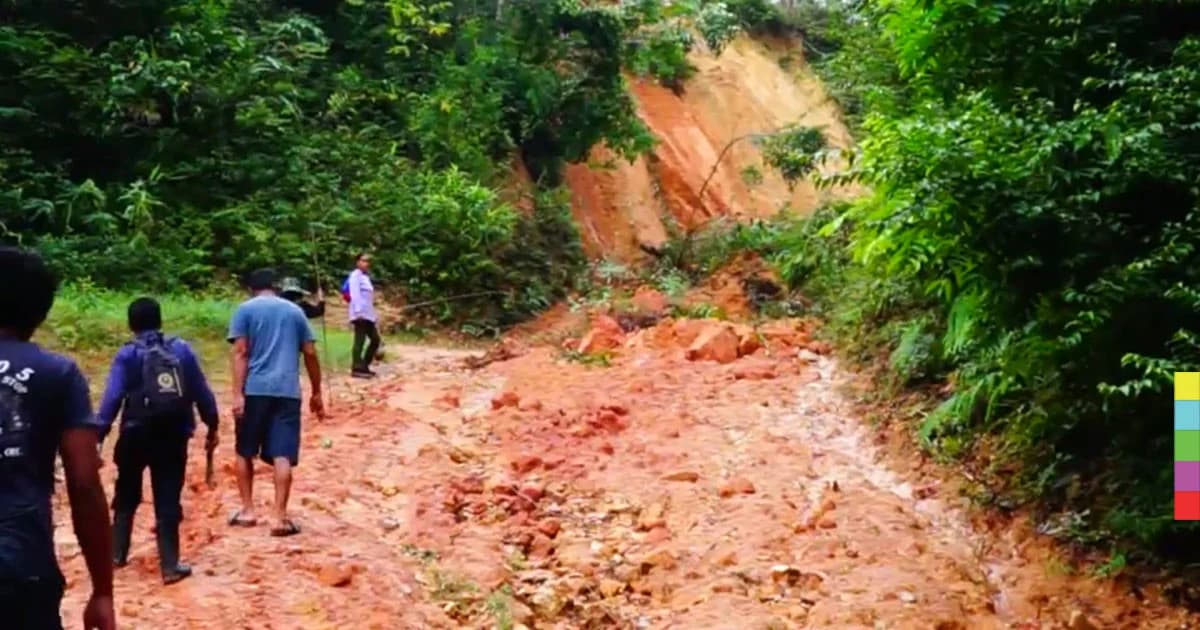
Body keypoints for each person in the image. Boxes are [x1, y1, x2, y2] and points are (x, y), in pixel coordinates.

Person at [0, 247, 115, 630]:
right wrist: (102, 591)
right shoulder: (57, 374)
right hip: (21, 567)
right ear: (42, 310)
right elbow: (84, 483)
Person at [96, 297, 219, 584]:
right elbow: (202, 391)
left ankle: (116, 554)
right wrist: (212, 423)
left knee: (126, 492)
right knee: (167, 496)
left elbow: (112, 397)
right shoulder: (182, 350)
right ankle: (170, 565)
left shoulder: (127, 355)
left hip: (135, 433)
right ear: (160, 320)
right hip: (173, 434)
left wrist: (99, 433)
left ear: (131, 324)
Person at [227, 268, 325, 537]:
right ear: (277, 287)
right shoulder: (295, 312)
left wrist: (237, 394)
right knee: (283, 453)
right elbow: (310, 352)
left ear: (252, 288)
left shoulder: (244, 310)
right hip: (287, 391)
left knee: (245, 450)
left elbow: (241, 352)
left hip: (255, 390)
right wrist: (316, 391)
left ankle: (248, 510)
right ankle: (279, 517)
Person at [347, 253, 380, 379]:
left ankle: (364, 365)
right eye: (363, 261)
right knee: (359, 341)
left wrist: (373, 315)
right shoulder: (355, 276)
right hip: (360, 314)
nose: (366, 263)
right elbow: (354, 295)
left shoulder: (365, 277)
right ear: (357, 262)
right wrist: (358, 312)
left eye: (368, 261)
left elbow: (368, 298)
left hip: (368, 314)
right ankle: (356, 368)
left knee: (375, 340)